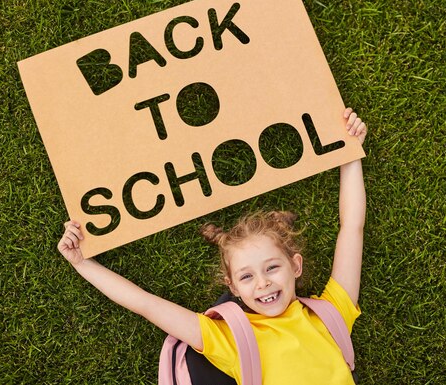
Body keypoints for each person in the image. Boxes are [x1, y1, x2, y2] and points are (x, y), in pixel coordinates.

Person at [58, 107, 367, 384]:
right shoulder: (230, 341)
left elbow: (352, 229)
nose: (263, 283)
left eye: (272, 267)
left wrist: (350, 152)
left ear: (295, 266)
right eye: (246, 277)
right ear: (231, 287)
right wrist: (81, 262)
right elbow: (145, 303)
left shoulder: (330, 316)